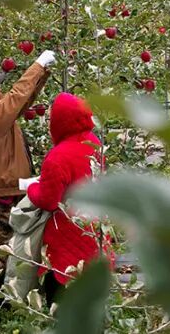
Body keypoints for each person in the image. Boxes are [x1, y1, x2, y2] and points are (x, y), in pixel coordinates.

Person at [0, 49, 54, 329]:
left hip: (4, 190)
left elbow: (23, 100)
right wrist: (37, 65)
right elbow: (16, 97)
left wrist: (42, 75)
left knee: (6, 250)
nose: (0, 89)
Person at [26, 92, 109, 309]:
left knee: (61, 303)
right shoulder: (94, 143)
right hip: (95, 231)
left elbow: (48, 201)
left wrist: (32, 187)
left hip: (66, 237)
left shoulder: (58, 156)